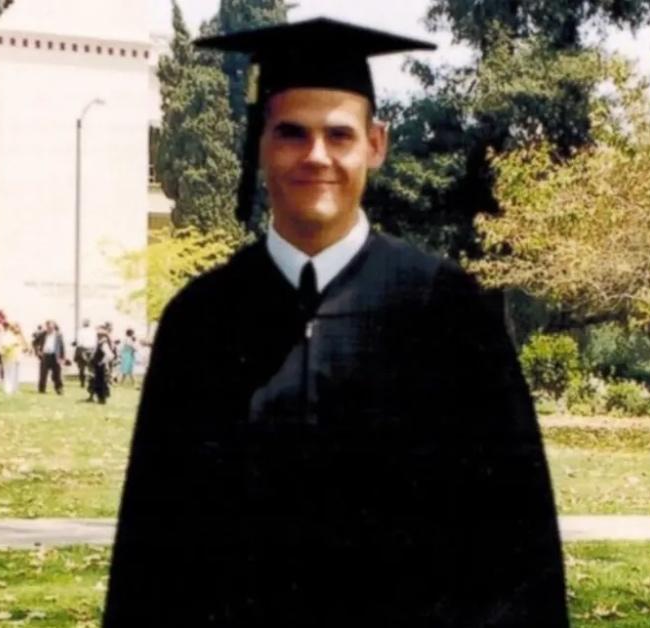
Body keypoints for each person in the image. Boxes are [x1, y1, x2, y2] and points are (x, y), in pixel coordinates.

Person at [103, 18, 568, 628]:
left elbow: (515, 540)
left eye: (339, 135)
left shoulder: (445, 311)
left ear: (376, 144)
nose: (316, 156)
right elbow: (151, 544)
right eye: (292, 133)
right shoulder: (202, 320)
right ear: (262, 144)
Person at [0, 322, 29, 396]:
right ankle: (8, 390)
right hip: (9, 357)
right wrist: (14, 344)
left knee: (14, 374)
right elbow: (5, 346)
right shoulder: (8, 335)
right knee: (9, 374)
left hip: (15, 357)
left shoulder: (17, 336)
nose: (17, 329)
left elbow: (24, 346)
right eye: (15, 327)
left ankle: (14, 389)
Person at [88, 324, 115, 404]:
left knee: (101, 382)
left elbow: (110, 355)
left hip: (101, 366)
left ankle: (102, 399)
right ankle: (100, 398)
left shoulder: (103, 344)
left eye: (97, 335)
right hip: (98, 365)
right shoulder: (101, 343)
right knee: (98, 382)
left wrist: (101, 362)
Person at [38, 321, 67, 395]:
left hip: (55, 356)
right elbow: (34, 342)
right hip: (45, 356)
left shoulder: (58, 335)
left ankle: (59, 389)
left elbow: (62, 346)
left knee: (57, 374)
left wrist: (62, 357)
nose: (49, 328)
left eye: (51, 327)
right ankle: (42, 389)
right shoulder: (43, 334)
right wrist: (38, 351)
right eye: (48, 327)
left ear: (54, 327)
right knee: (43, 373)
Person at [74, 319, 96, 389]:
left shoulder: (80, 331)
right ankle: (91, 381)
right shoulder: (93, 331)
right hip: (91, 349)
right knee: (91, 368)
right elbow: (95, 342)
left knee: (81, 368)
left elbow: (79, 343)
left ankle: (82, 382)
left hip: (82, 349)